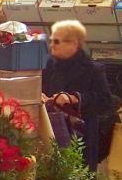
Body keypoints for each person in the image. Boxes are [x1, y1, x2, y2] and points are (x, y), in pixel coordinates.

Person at [42, 20, 113, 169]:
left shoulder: (93, 69)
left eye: (57, 41)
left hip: (81, 134)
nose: (52, 45)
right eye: (51, 40)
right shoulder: (50, 65)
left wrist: (73, 98)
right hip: (52, 130)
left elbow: (104, 102)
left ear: (74, 44)